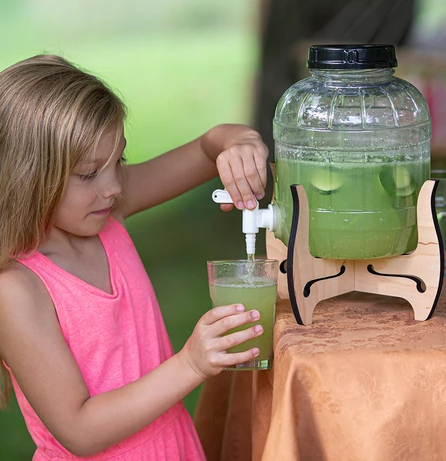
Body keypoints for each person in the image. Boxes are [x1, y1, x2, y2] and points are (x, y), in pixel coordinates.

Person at [0, 54, 269, 460]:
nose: (111, 187)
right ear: (28, 174)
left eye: (119, 161)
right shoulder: (17, 287)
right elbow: (79, 429)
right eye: (89, 173)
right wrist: (191, 365)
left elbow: (206, 148)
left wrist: (240, 144)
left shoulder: (104, 211)